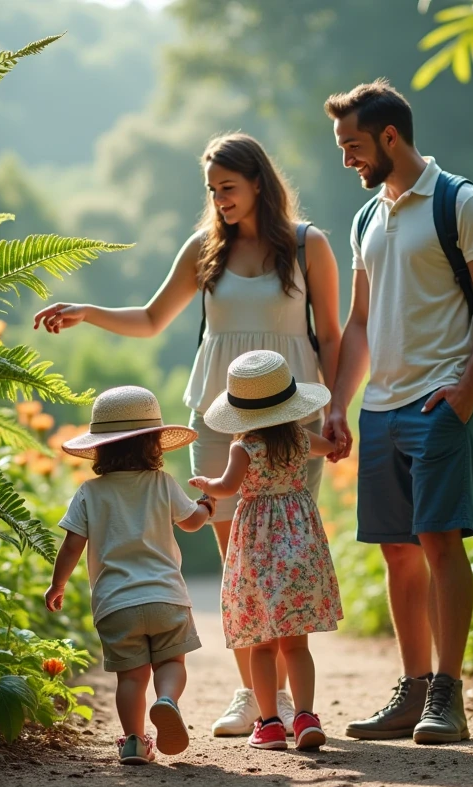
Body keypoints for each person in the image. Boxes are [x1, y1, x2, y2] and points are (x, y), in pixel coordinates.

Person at [33, 133, 342, 737]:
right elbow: (151, 319)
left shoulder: (309, 246)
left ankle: (293, 703)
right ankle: (259, 697)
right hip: (217, 418)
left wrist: (336, 412)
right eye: (212, 190)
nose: (220, 199)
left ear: (258, 183)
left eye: (229, 187)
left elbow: (329, 335)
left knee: (284, 556)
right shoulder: (205, 248)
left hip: (290, 418)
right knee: (240, 569)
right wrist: (88, 311)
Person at [322, 80, 473, 744]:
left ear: (389, 137)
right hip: (380, 408)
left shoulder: (461, 202)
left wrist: (466, 391)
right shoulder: (366, 218)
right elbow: (357, 323)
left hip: (442, 400)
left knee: (439, 543)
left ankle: (448, 697)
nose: (346, 159)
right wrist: (339, 405)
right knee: (398, 555)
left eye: (352, 146)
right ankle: (410, 693)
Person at [44, 386, 214, 766]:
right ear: (154, 445)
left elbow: (72, 545)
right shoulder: (163, 483)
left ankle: (135, 741)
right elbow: (191, 523)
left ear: (100, 449)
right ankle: (167, 700)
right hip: (166, 597)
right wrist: (206, 506)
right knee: (171, 663)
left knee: (131, 678)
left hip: (116, 604)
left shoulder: (89, 492)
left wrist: (58, 584)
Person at [189, 350, 342, 751]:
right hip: (299, 543)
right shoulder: (297, 437)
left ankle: (270, 723)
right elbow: (326, 447)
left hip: (258, 546)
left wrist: (206, 483)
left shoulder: (244, 448)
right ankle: (306, 717)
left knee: (262, 641)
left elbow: (227, 487)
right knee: (296, 642)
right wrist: (337, 444)